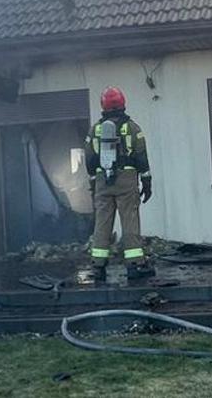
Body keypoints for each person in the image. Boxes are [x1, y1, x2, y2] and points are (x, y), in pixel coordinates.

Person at [85, 85, 153, 281]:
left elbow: (89, 158)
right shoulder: (132, 128)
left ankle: (98, 266)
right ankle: (134, 265)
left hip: (102, 181)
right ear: (123, 103)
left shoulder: (95, 130)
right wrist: (146, 181)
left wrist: (94, 183)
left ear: (103, 106)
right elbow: (141, 155)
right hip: (126, 179)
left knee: (102, 222)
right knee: (129, 220)